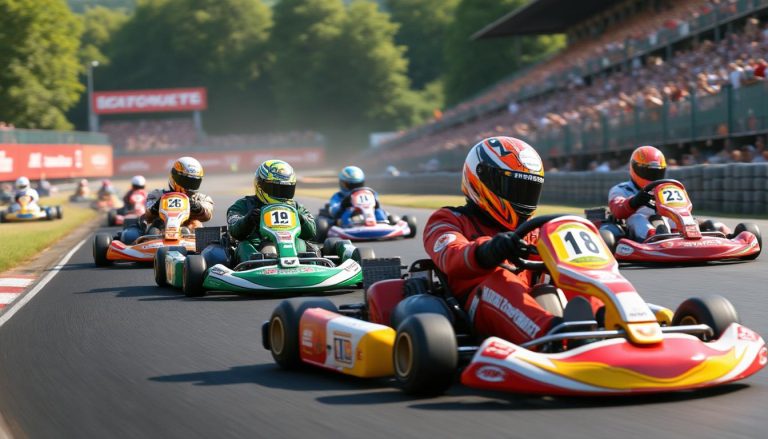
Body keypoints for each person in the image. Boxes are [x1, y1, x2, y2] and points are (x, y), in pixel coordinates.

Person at [423, 136, 596, 346]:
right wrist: (489, 249)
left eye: (528, 190)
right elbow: (451, 255)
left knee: (575, 274)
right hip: (476, 307)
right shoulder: (448, 219)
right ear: (483, 178)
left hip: (529, 303)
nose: (522, 198)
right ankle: (552, 339)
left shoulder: (533, 229)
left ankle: (608, 320)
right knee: (500, 277)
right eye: (514, 188)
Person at [226, 160, 316, 264]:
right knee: (243, 245)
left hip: (290, 246)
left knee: (301, 243)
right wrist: (248, 220)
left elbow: (311, 232)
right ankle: (252, 270)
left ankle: (308, 268)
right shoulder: (243, 205)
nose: (281, 193)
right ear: (260, 185)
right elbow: (234, 230)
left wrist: (300, 219)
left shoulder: (295, 207)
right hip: (256, 249)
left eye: (286, 189)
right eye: (275, 188)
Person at [120, 157, 213, 244]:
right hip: (160, 232)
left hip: (189, 235)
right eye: (187, 181)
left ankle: (187, 238)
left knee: (195, 224)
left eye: (193, 183)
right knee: (150, 228)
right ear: (175, 177)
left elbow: (207, 215)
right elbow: (147, 215)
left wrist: (197, 207)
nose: (189, 187)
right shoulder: (157, 194)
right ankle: (151, 241)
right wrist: (156, 207)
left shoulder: (200, 198)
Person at [606, 146, 668, 241]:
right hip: (635, 230)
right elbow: (617, 210)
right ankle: (654, 239)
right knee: (637, 218)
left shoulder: (665, 189)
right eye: (648, 172)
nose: (652, 176)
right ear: (635, 168)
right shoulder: (621, 189)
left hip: (663, 224)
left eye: (656, 172)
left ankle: (686, 239)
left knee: (676, 219)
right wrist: (634, 202)